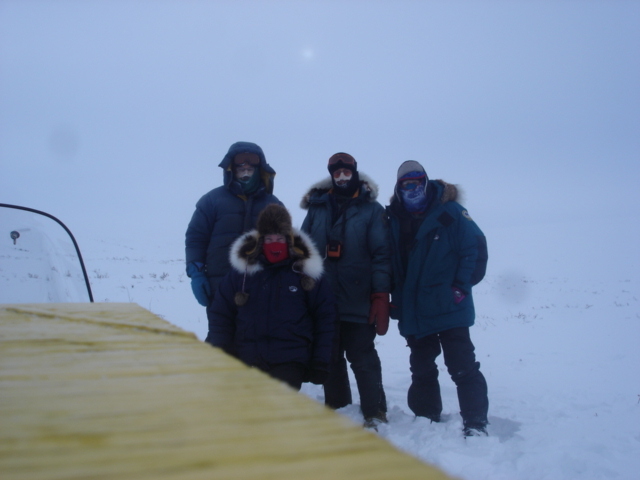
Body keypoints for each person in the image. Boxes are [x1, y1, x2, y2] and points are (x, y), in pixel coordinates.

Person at [386, 160, 489, 437]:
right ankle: (426, 420)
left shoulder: (452, 212)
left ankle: (476, 423)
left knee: (463, 367)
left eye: (417, 182)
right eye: (406, 184)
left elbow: (475, 251)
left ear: (426, 182)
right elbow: (389, 262)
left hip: (450, 307)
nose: (413, 189)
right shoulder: (393, 219)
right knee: (421, 370)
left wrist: (460, 286)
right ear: (399, 188)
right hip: (415, 310)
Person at [300, 152, 391, 429]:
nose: (341, 177)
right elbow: (302, 249)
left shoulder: (372, 211)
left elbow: (381, 255)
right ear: (331, 175)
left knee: (362, 356)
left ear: (354, 173)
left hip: (358, 296)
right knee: (330, 356)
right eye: (336, 173)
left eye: (346, 172)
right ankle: (337, 408)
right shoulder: (317, 208)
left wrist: (380, 295)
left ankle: (374, 411)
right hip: (323, 296)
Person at [206, 204, 336, 391]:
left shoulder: (305, 274)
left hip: (290, 360)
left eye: (280, 238)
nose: (274, 244)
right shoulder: (241, 274)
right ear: (260, 242)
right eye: (269, 239)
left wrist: (320, 360)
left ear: (289, 240)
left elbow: (325, 317)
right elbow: (221, 315)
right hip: (247, 358)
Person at [185, 141, 281, 322]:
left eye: (250, 168)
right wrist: (196, 273)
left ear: (259, 169)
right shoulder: (211, 201)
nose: (245, 171)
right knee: (220, 341)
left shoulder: (273, 204)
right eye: (240, 168)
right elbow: (196, 238)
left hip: (261, 287)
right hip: (220, 287)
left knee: (256, 343)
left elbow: (285, 245)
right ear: (231, 169)